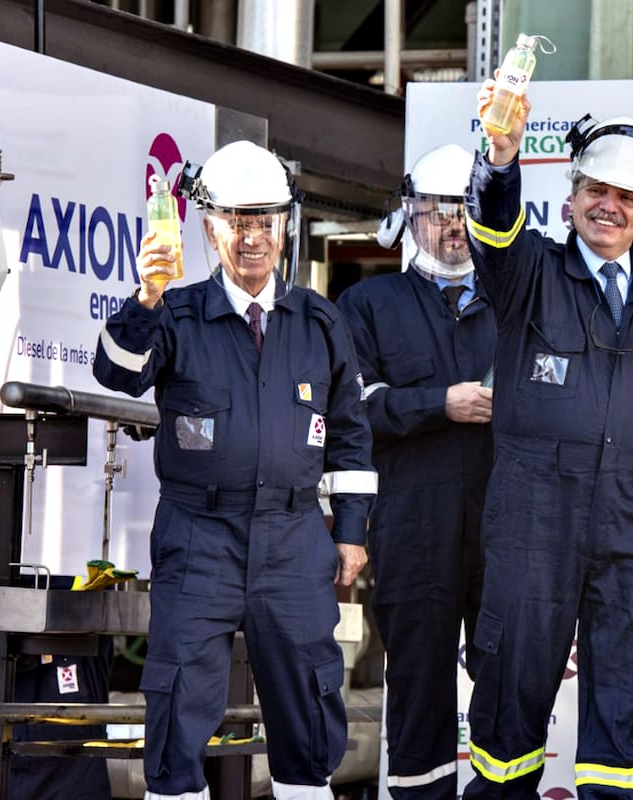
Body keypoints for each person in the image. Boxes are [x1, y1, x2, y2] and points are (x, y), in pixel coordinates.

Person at [461, 86, 633, 800]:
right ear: (573, 195)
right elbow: (494, 226)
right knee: (511, 691)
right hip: (533, 515)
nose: (609, 206)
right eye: (595, 190)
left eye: (627, 198)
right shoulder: (530, 273)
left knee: (630, 710)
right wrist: (501, 157)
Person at [94, 139, 377, 800]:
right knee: (179, 701)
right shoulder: (176, 313)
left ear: (286, 225)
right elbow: (116, 372)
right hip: (200, 537)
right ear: (207, 226)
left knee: (310, 707)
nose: (253, 237)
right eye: (237, 221)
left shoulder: (320, 321)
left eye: (265, 221)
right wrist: (145, 297)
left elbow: (352, 437)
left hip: (293, 539)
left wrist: (354, 530)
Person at [336, 143, 495, 800]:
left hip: (504, 528)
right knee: (420, 697)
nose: (453, 226)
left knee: (510, 692)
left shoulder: (518, 306)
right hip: (413, 531)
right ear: (410, 213)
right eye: (438, 212)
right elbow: (351, 410)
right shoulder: (370, 304)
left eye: (466, 211)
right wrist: (440, 404)